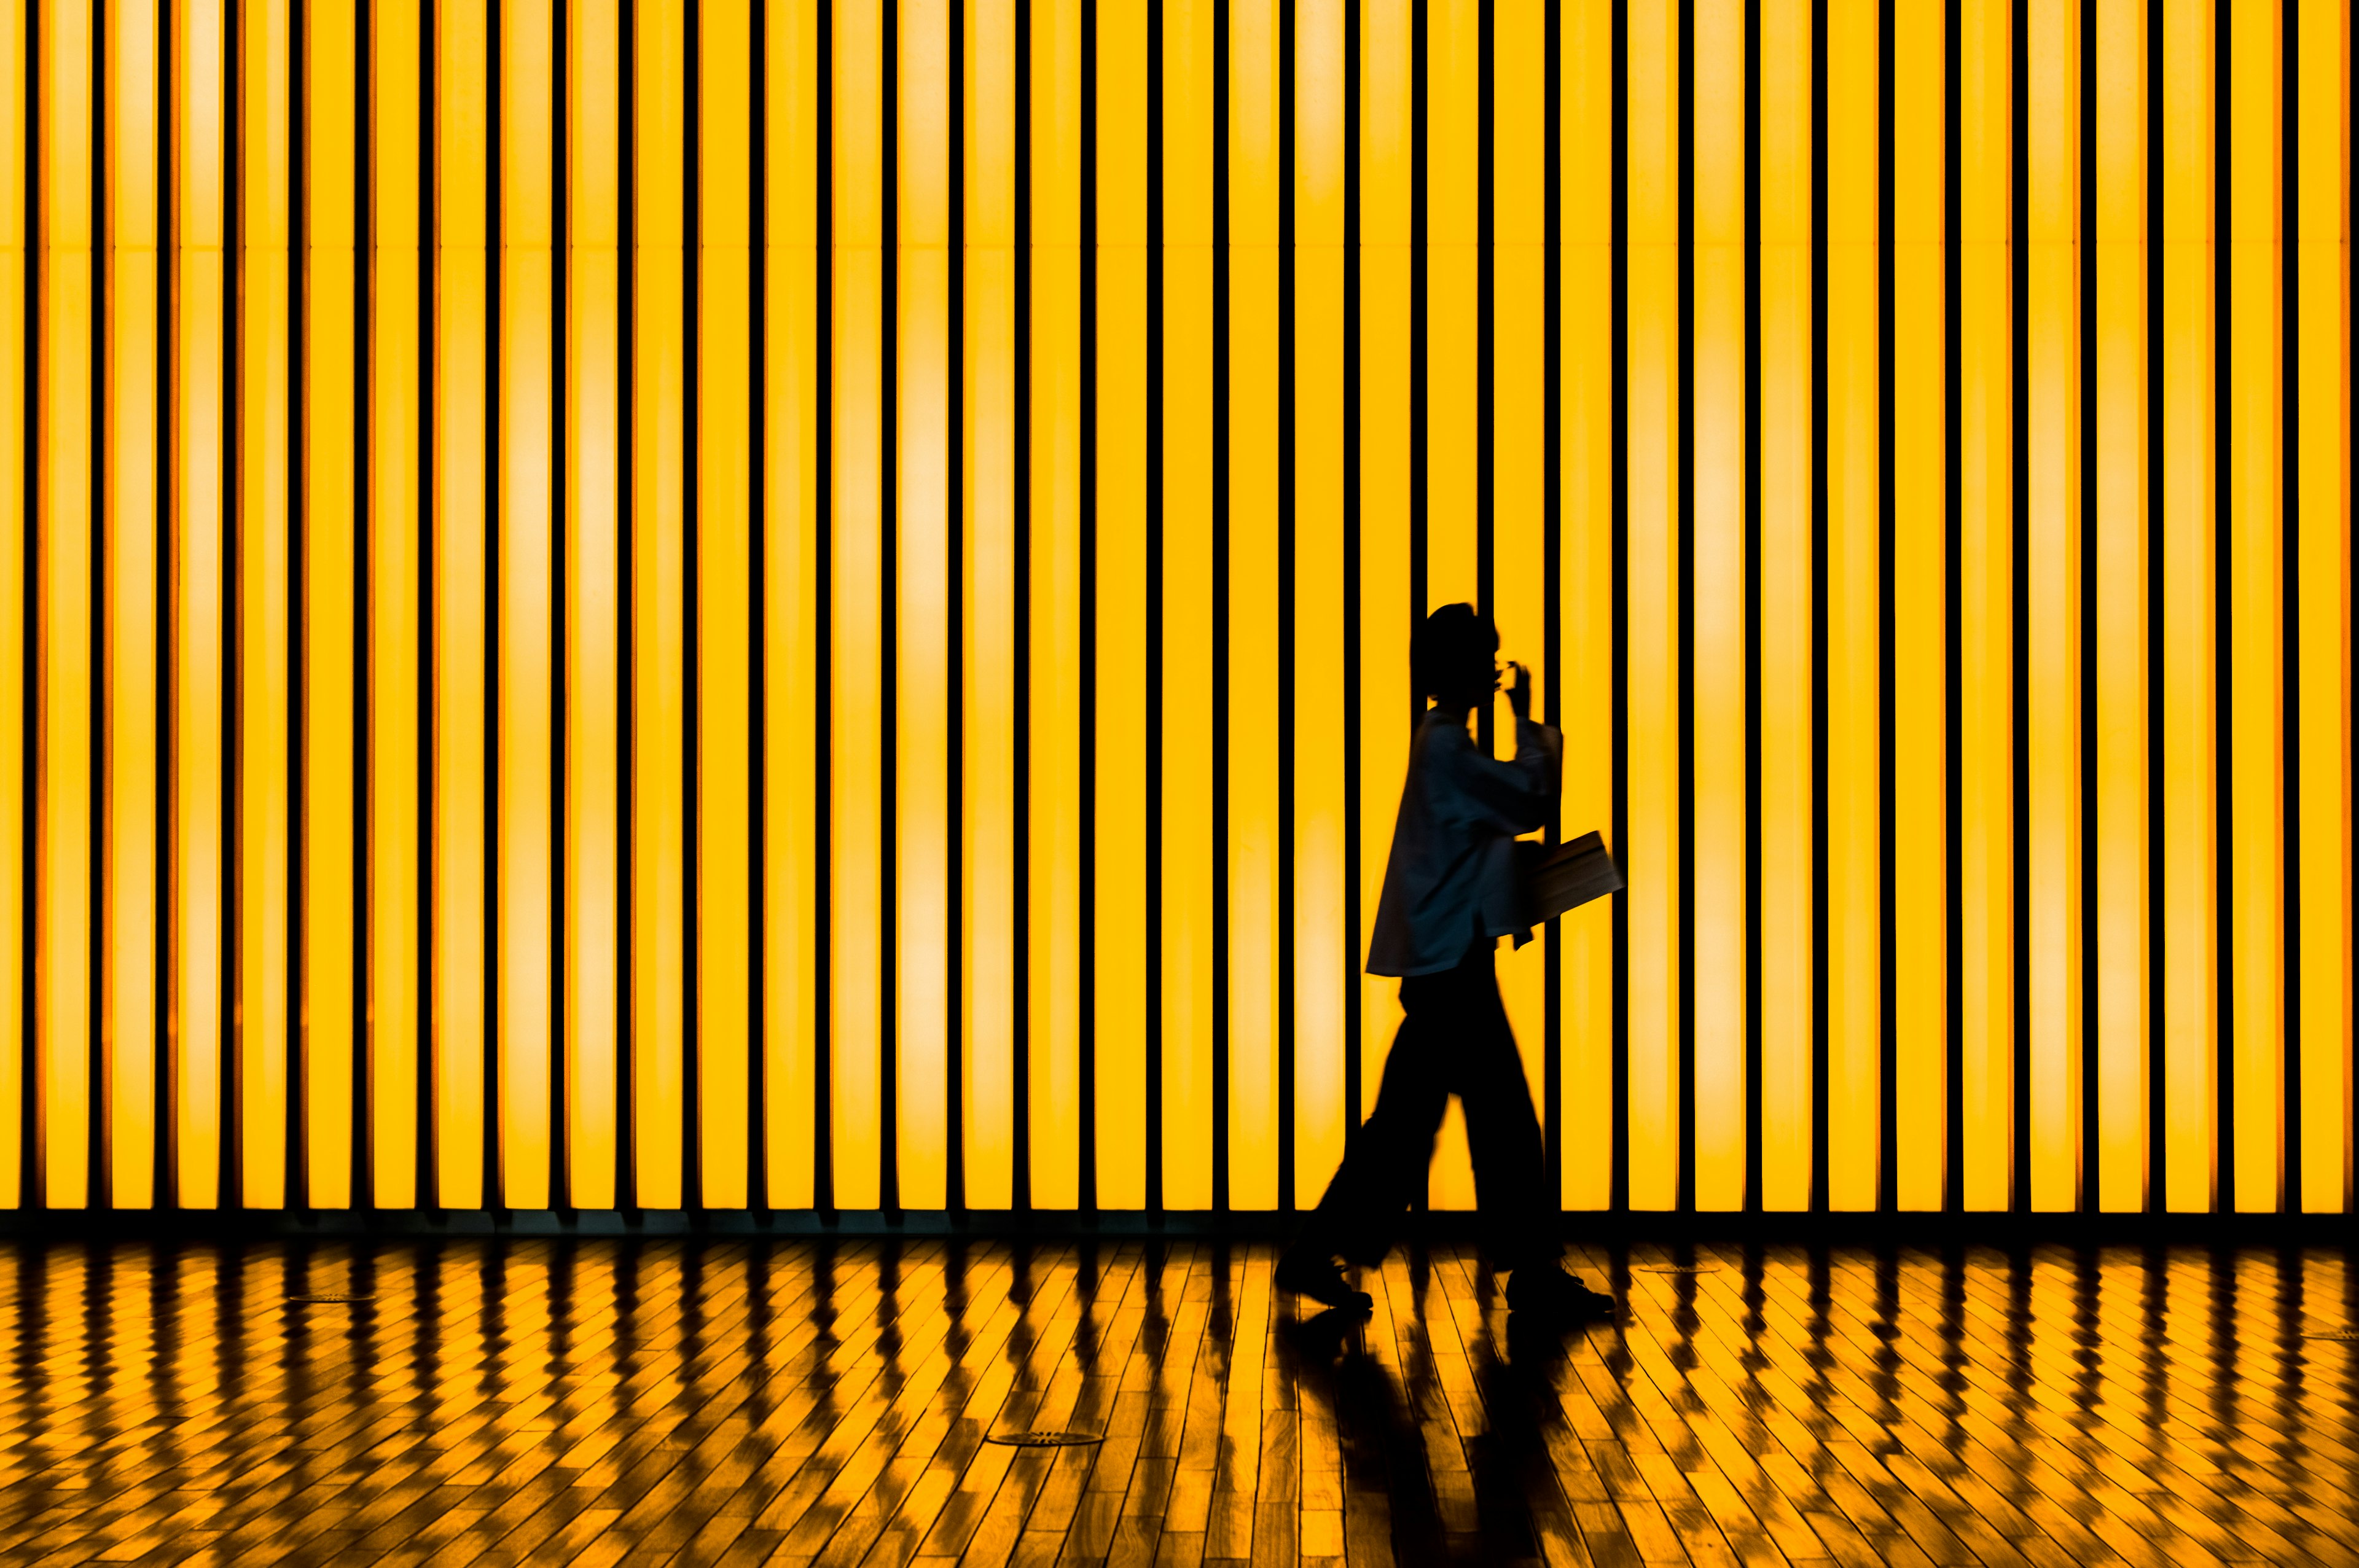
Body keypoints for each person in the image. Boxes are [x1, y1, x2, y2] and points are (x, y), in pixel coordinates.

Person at [1277, 604, 1614, 1321]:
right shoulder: (1448, 752)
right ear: (1466, 670)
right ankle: (1533, 1271)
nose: (1492, 673)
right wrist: (1530, 727)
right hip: (1454, 966)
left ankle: (1320, 1253)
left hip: (1441, 965)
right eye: (1484, 660)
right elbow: (1527, 801)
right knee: (1500, 1121)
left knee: (1408, 1128)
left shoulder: (1441, 747)